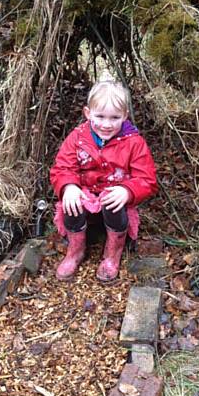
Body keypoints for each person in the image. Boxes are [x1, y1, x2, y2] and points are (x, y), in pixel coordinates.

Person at [50, 76, 157, 282]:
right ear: (88, 113)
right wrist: (69, 186)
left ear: (125, 115)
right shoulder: (77, 137)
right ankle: (75, 250)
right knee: (70, 201)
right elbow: (62, 167)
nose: (106, 125)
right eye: (100, 117)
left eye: (115, 118)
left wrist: (127, 191)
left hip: (113, 199)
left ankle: (112, 254)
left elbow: (147, 178)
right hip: (86, 197)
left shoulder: (134, 142)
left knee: (114, 201)